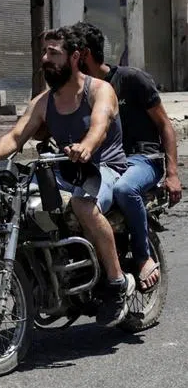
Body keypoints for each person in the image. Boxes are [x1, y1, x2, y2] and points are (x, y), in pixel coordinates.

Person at [0, 25, 135, 325]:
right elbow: (15, 137)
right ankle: (42, 278)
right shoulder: (44, 101)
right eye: (44, 52)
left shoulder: (98, 90)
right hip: (62, 170)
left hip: (104, 168)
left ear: (75, 57)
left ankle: (117, 282)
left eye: (54, 53)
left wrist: (86, 147)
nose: (45, 59)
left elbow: (99, 125)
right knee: (16, 201)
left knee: (82, 206)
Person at [73, 21, 182, 291]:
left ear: (84, 54)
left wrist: (172, 173)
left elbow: (165, 125)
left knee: (124, 188)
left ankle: (143, 256)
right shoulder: (81, 90)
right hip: (107, 162)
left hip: (144, 158)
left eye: (71, 52)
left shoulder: (132, 80)